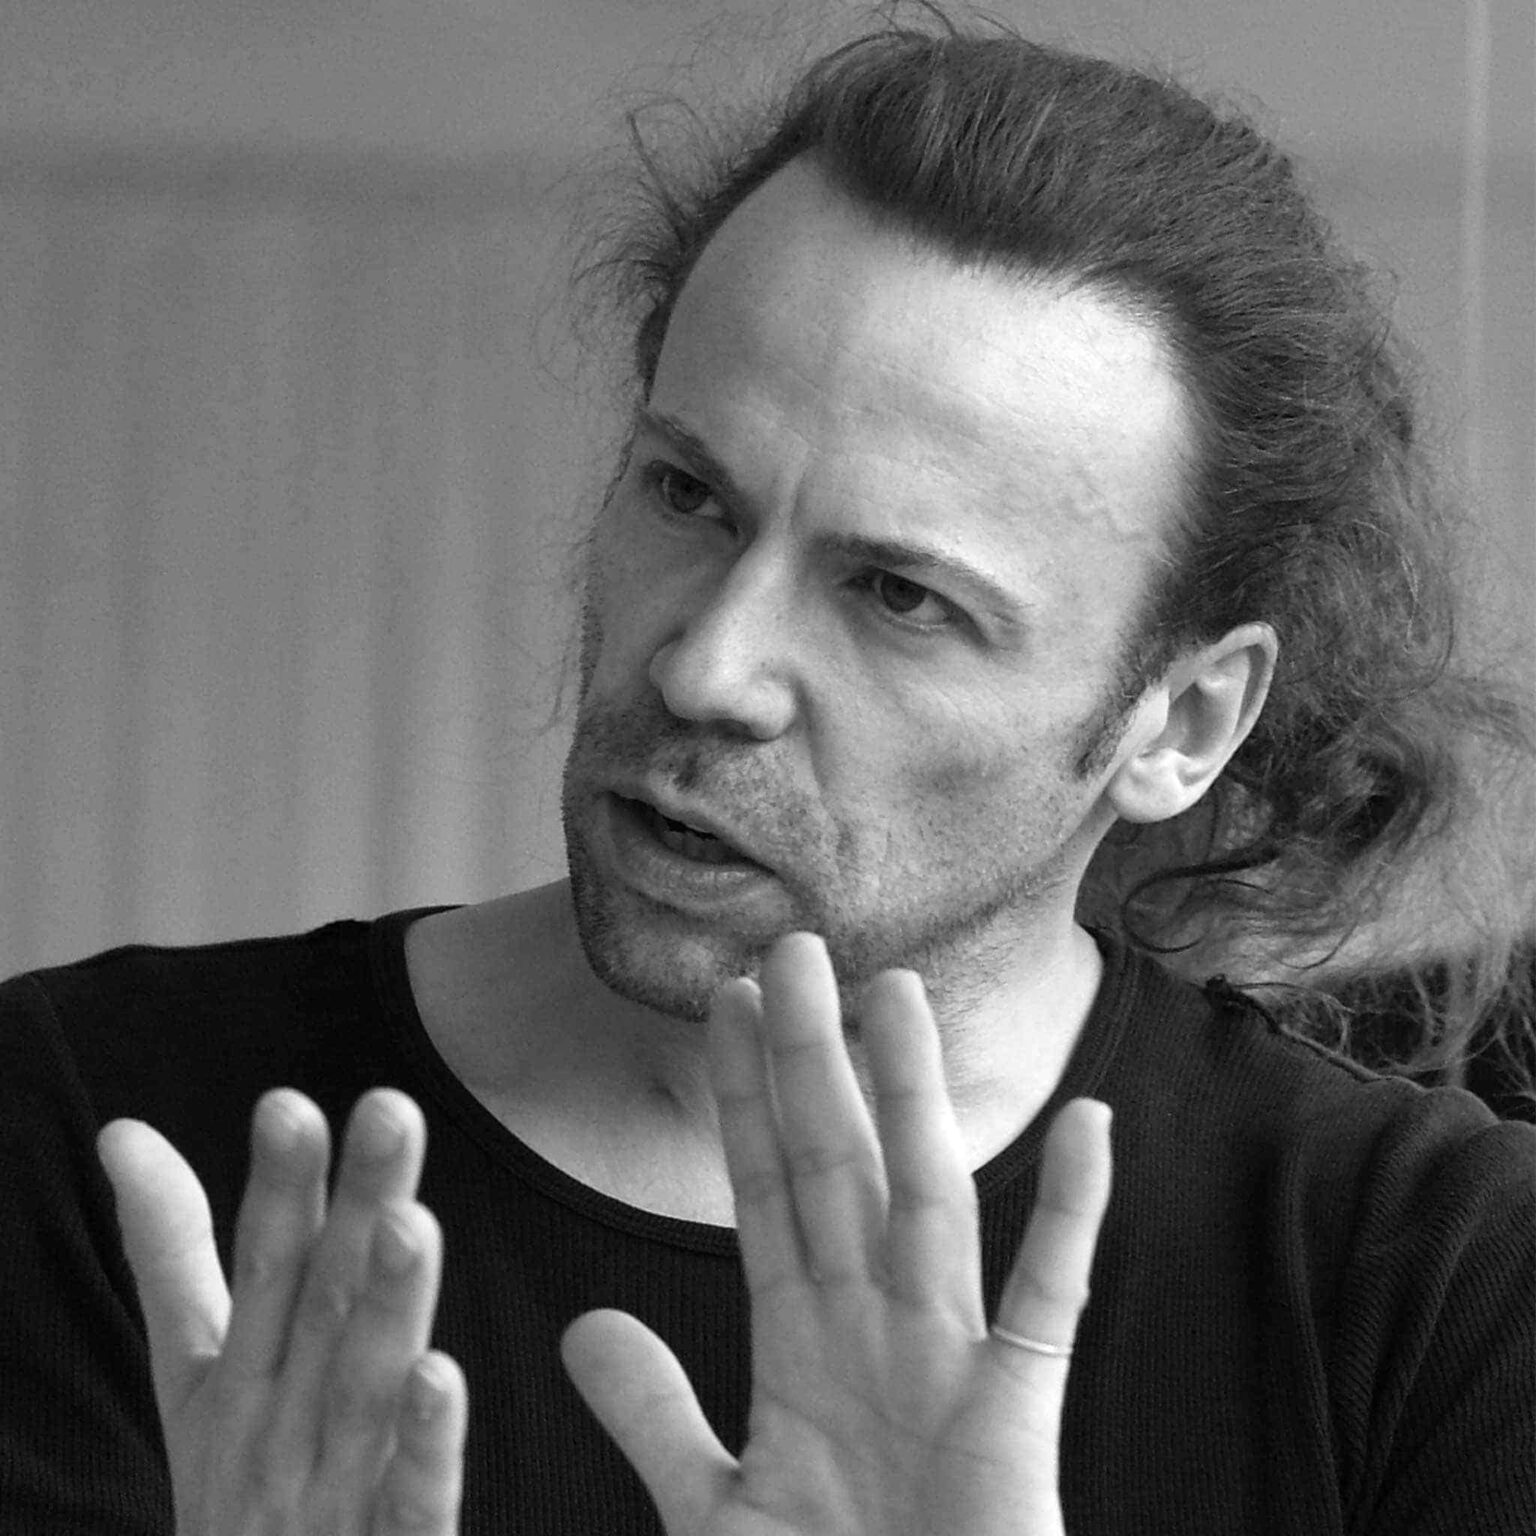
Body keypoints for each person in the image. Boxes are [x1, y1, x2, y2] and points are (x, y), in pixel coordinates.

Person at [2, 12, 1532, 1535]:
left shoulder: (1440, 1281)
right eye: (688, 495)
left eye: (899, 596)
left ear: (1181, 722)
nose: (706, 669)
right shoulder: (85, 1133)